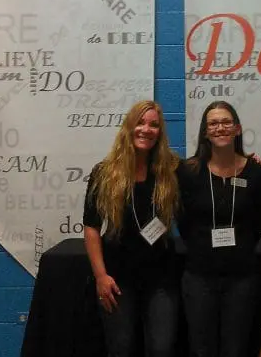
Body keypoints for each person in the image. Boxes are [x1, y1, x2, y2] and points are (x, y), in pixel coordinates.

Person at [82, 100, 180, 357]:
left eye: (153, 125)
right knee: (121, 349)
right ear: (129, 127)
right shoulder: (103, 173)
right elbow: (91, 228)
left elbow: (210, 166)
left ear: (159, 132)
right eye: (140, 122)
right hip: (117, 278)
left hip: (161, 279)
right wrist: (101, 277)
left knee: (161, 349)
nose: (146, 129)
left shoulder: (171, 170)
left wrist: (244, 157)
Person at [177, 101, 261, 357]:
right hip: (199, 277)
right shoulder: (188, 171)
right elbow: (181, 219)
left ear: (237, 128)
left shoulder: (255, 172)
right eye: (213, 123)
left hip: (242, 278)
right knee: (201, 348)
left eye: (226, 122)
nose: (220, 128)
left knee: (236, 349)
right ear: (205, 132)